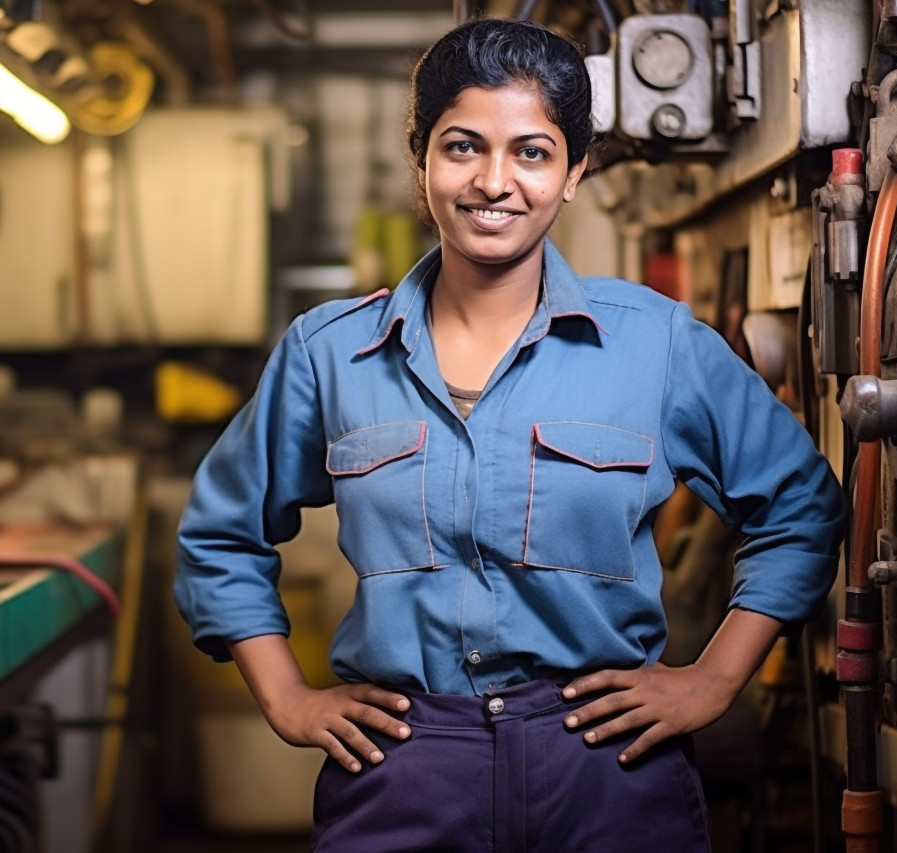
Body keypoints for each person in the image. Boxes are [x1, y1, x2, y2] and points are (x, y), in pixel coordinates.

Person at [174, 17, 844, 853]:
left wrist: (715, 678)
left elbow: (801, 507)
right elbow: (221, 534)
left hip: (607, 767)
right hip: (405, 767)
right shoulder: (329, 352)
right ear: (421, 159)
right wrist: (287, 698)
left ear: (574, 172)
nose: (495, 181)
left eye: (532, 151)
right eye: (462, 147)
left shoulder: (657, 344)